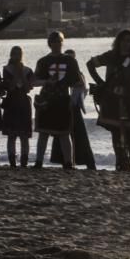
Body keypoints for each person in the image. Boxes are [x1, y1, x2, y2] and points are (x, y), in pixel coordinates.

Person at [88, 30, 130, 171]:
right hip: (111, 101)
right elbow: (90, 64)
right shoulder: (110, 56)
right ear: (118, 42)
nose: (126, 43)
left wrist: (128, 97)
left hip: (128, 101)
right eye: (124, 40)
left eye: (129, 41)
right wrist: (101, 83)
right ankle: (121, 162)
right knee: (117, 132)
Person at [32, 31, 81, 169]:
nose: (56, 44)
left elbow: (77, 82)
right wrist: (47, 82)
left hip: (63, 100)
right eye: (54, 41)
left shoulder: (70, 61)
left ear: (62, 42)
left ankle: (68, 163)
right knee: (43, 133)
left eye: (59, 41)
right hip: (46, 101)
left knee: (64, 133)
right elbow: (34, 82)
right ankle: (38, 162)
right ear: (49, 43)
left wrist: (76, 97)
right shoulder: (43, 62)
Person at [52, 49, 97, 170]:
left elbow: (83, 89)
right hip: (63, 106)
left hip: (74, 108)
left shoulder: (78, 74)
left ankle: (86, 162)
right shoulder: (61, 74)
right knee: (64, 135)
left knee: (79, 136)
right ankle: (67, 161)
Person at [1, 46, 34, 168]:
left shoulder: (28, 70)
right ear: (11, 55)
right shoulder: (6, 69)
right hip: (12, 102)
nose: (17, 56)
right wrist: (16, 73)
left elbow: (28, 88)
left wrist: (22, 73)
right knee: (12, 135)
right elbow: (10, 87)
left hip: (23, 102)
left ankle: (24, 161)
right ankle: (12, 161)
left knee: (24, 135)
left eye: (19, 53)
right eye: (14, 53)